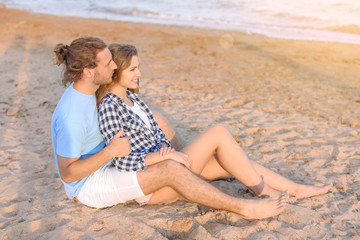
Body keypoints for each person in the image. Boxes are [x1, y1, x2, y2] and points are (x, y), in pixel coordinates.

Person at [95, 43, 332, 214]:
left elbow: (157, 137)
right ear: (115, 73)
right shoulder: (109, 107)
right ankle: (265, 192)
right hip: (153, 187)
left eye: (138, 68)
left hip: (168, 165)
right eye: (133, 70)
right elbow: (121, 160)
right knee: (218, 132)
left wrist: (167, 149)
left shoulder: (135, 101)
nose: (139, 74)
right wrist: (165, 156)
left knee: (228, 161)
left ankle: (295, 189)